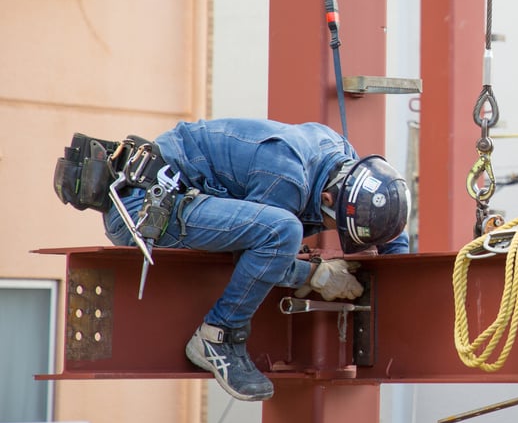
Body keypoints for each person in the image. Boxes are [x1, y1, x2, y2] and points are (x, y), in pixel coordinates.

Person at [55, 118, 410, 401]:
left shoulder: (340, 155)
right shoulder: (285, 178)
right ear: (330, 198)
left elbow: (382, 213)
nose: (330, 230)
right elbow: (263, 252)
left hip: (183, 198)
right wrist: (316, 276)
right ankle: (218, 336)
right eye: (335, 224)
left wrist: (397, 267)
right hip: (142, 211)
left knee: (281, 228)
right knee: (283, 230)